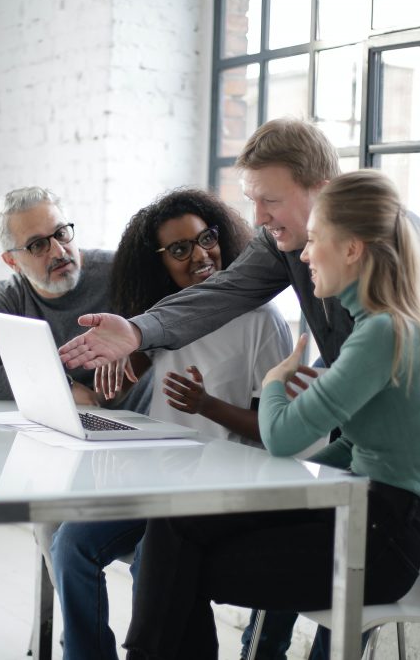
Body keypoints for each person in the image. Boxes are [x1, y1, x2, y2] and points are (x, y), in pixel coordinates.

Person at [58, 117, 420, 658]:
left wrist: (299, 384)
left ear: (321, 194)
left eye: (269, 201)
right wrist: (137, 330)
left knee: (190, 559)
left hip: (388, 496)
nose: (258, 219)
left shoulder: (395, 275)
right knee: (177, 533)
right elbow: (223, 293)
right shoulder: (296, 250)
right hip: (354, 463)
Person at [50, 189, 293, 659]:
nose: (201, 255)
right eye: (180, 249)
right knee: (69, 546)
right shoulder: (158, 319)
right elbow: (123, 391)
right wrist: (121, 380)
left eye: (207, 239)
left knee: (153, 563)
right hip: (156, 478)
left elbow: (274, 429)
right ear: (157, 262)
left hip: (219, 486)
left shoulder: (261, 320)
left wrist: (206, 405)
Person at [0, 186, 150, 660]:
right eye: (37, 245)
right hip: (54, 441)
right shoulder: (11, 295)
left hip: (125, 442)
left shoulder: (119, 273)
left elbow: (168, 333)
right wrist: (64, 389)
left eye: (61, 233)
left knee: (54, 523)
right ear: (12, 260)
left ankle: (78, 641)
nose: (58, 251)